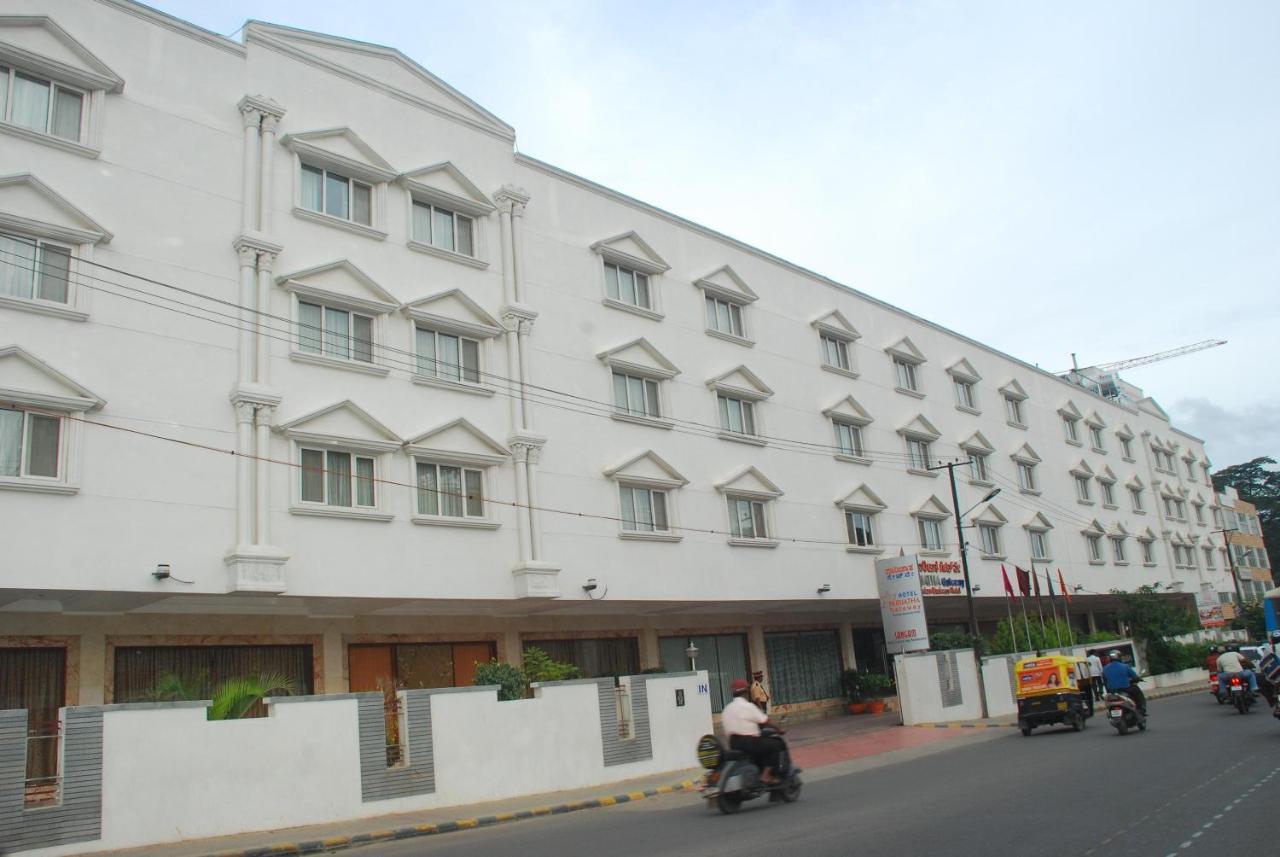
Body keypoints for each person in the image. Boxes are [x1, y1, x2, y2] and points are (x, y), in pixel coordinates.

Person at [722, 678, 784, 784]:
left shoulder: (726, 709)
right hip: (749, 742)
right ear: (746, 692)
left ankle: (759, 771)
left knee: (762, 747)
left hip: (733, 744)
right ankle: (765, 775)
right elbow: (765, 721)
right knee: (776, 745)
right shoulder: (748, 706)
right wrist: (779, 729)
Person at [1101, 650, 1146, 714]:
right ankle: (1141, 708)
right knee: (1137, 690)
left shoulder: (1105, 668)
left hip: (1112, 691)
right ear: (1119, 657)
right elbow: (1135, 677)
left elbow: (1105, 680)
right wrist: (1138, 679)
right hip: (1125, 689)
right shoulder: (1125, 666)